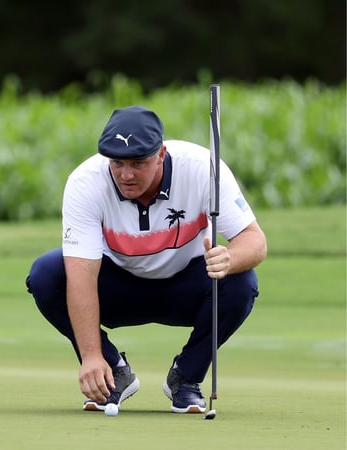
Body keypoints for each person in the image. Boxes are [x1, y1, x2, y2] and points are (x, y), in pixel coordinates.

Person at [25, 105, 267, 414]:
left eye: (138, 163)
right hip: (118, 286)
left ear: (161, 155)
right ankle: (113, 371)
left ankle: (187, 379)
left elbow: (255, 240)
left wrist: (230, 258)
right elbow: (82, 274)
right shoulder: (85, 182)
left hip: (187, 285)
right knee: (47, 274)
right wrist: (91, 355)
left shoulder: (201, 167)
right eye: (117, 163)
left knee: (242, 280)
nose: (126, 174)